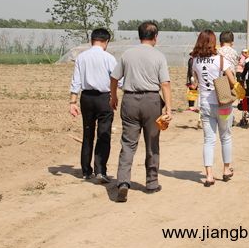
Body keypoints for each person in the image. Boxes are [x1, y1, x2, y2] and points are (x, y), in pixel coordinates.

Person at [110, 22, 172, 202]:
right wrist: (168, 108)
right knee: (152, 142)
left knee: (128, 144)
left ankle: (123, 182)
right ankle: (151, 183)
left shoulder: (127, 54)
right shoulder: (159, 56)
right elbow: (165, 84)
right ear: (155, 37)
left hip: (129, 100)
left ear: (139, 36)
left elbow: (114, 78)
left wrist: (113, 96)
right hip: (152, 101)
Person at [69, 28, 117, 183]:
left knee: (88, 133)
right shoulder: (109, 58)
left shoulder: (81, 57)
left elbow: (76, 81)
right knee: (104, 134)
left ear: (92, 40)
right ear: (106, 41)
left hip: (86, 98)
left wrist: (72, 102)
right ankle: (100, 170)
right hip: (104, 98)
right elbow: (117, 80)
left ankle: (85, 170)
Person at [190, 30, 237, 186]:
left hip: (205, 104)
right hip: (223, 104)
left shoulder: (195, 61)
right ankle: (226, 169)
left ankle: (209, 175)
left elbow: (195, 82)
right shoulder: (220, 60)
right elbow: (232, 81)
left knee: (209, 140)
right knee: (225, 136)